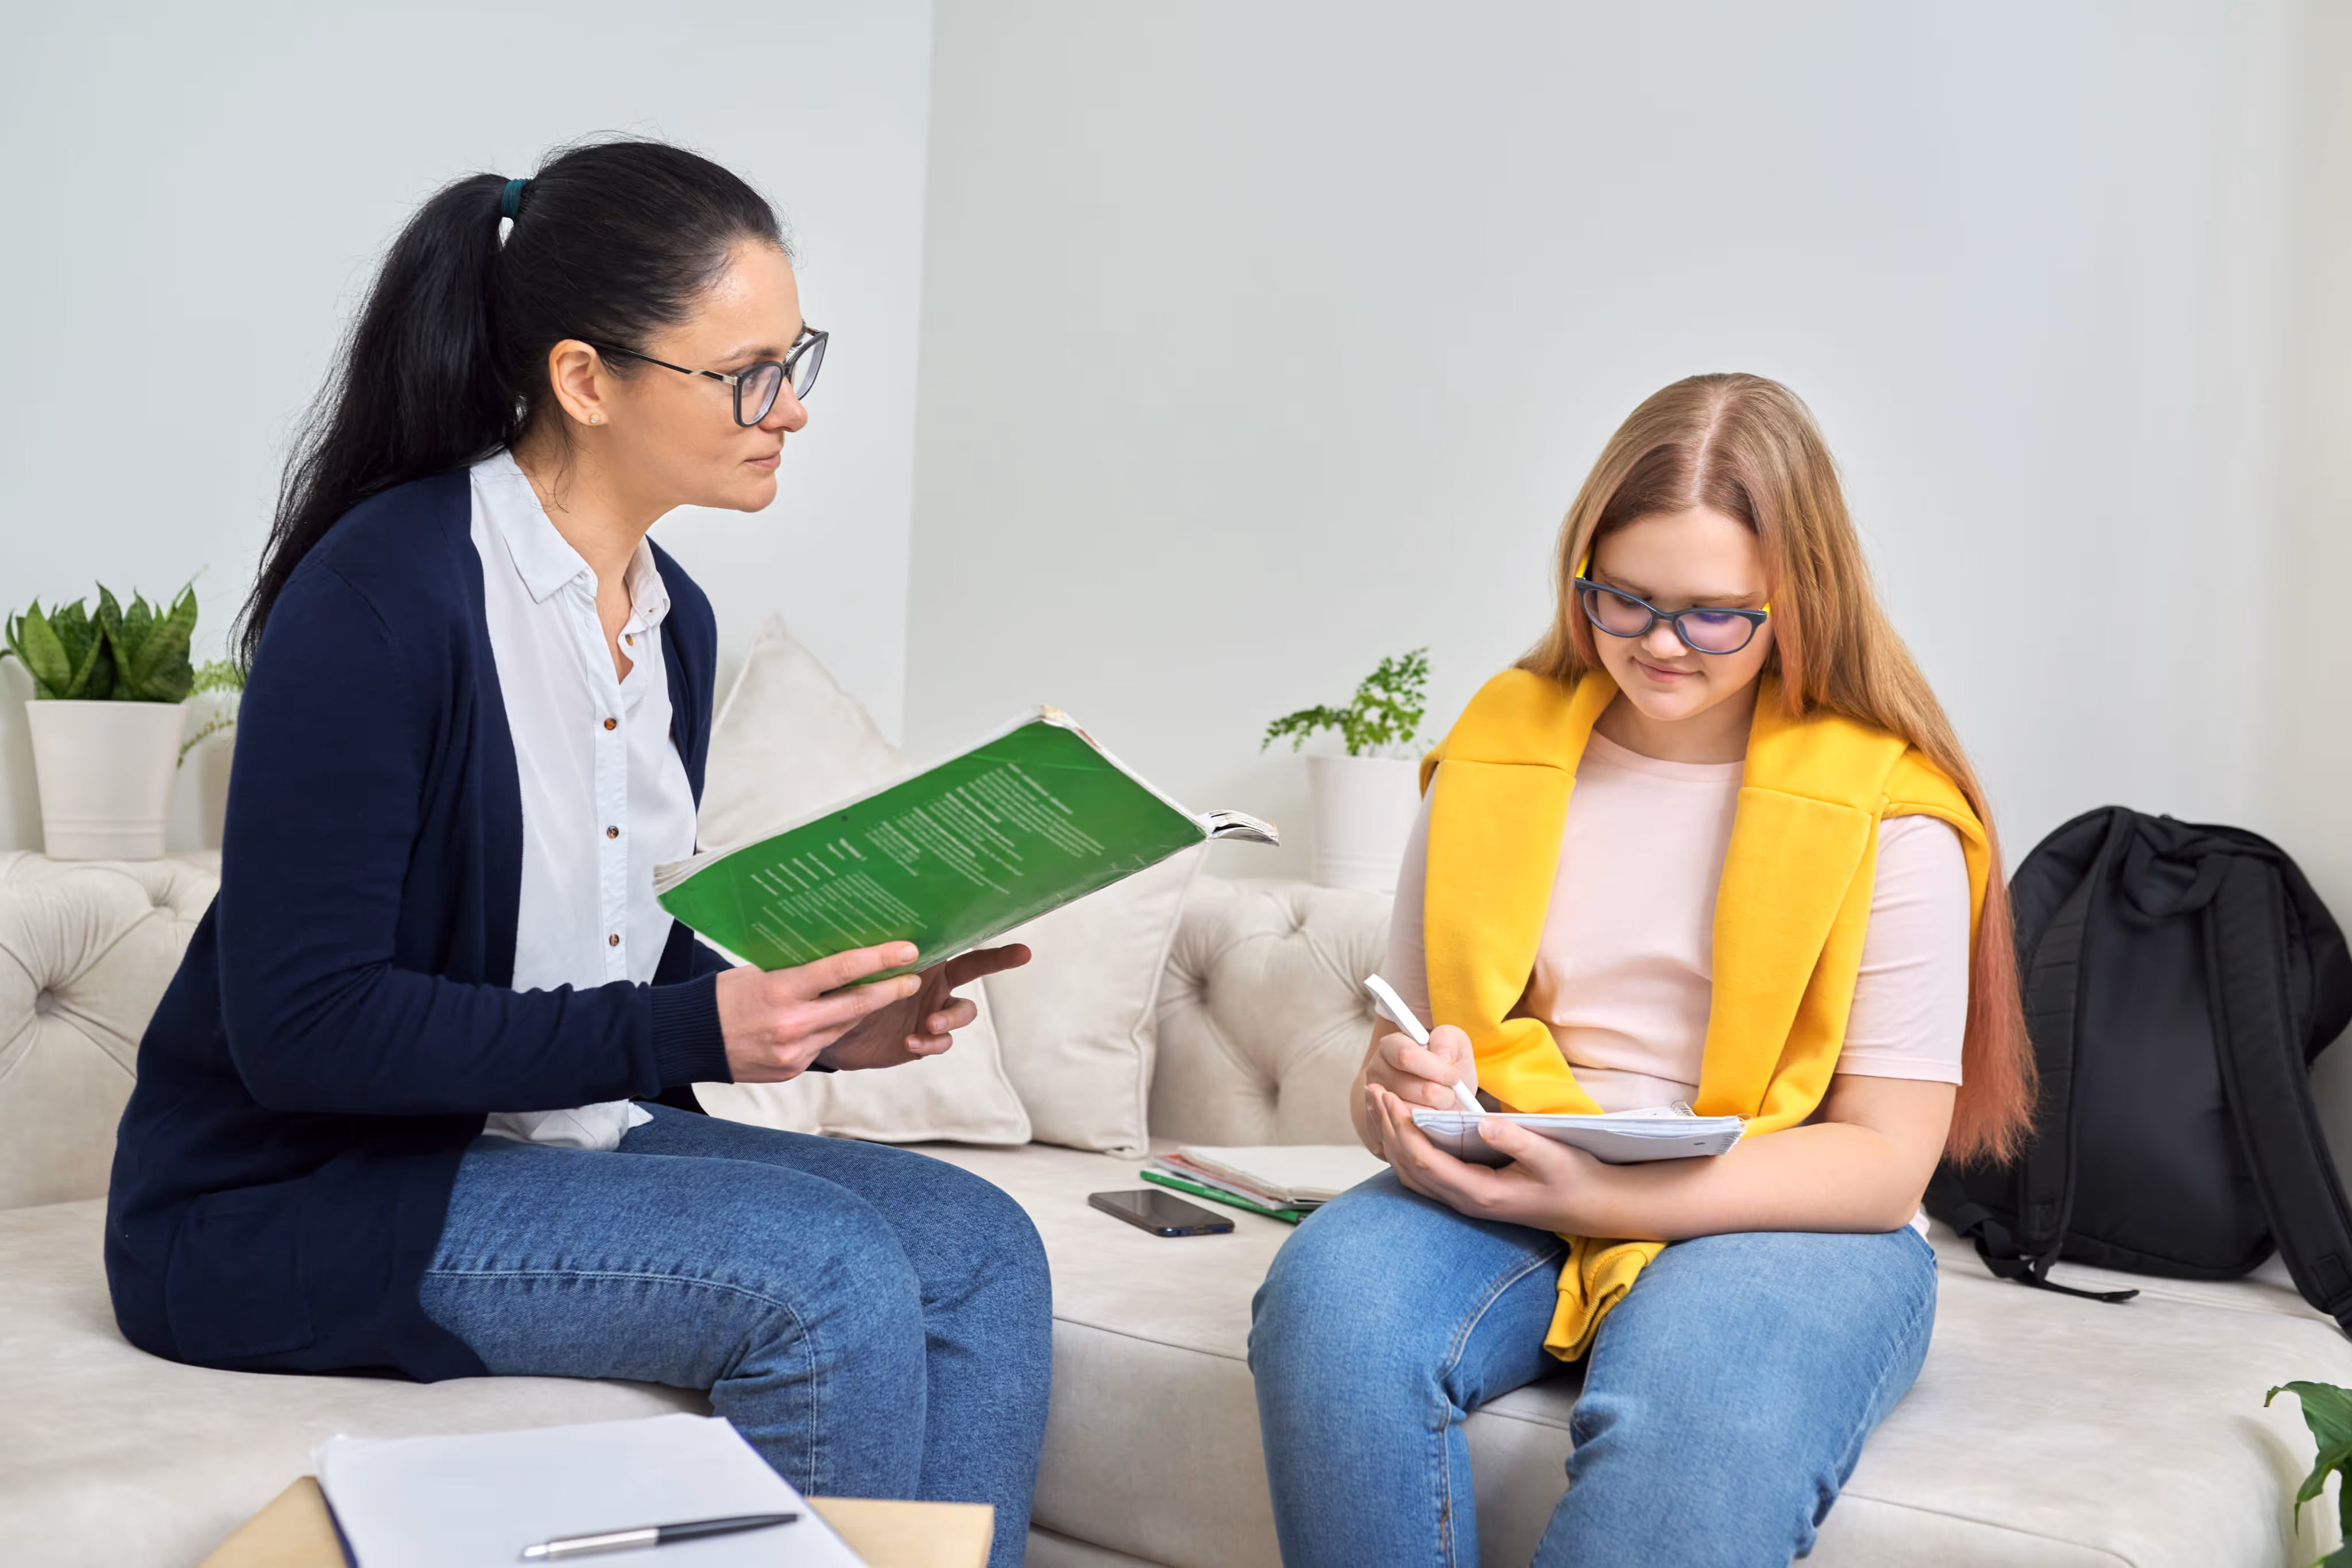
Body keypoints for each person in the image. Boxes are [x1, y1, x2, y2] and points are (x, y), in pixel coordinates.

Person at [105, 140, 1051, 1565]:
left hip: (552, 1143)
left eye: (795, 362)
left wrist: (825, 1020)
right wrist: (697, 1029)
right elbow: (303, 1030)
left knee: (983, 1249)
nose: (790, 409)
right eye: (745, 374)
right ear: (585, 380)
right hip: (294, 1195)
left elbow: (609, 947)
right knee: (823, 1277)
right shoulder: (379, 597)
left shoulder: (674, 623)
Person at [1248, 373, 2036, 1567]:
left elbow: (1882, 1166)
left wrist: (1602, 1199)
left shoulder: (1891, 809)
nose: (1660, 644)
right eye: (1624, 599)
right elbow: (1400, 1056)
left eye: (1713, 615)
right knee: (1327, 1310)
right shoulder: (1493, 750)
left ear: (1798, 597)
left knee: (1700, 1420)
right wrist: (1399, 1102)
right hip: (1518, 1166)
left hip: (1784, 1208)